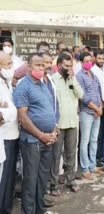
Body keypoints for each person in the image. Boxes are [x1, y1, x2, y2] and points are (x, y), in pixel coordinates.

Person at [13, 53, 58, 214]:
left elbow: (48, 110)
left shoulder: (42, 84)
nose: (41, 68)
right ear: (29, 67)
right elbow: (23, 118)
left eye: (42, 65)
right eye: (37, 65)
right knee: (31, 180)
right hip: (33, 141)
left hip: (48, 139)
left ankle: (40, 210)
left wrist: (53, 130)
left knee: (42, 178)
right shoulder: (23, 87)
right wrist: (41, 135)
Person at [50, 53, 83, 195]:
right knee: (55, 155)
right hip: (58, 124)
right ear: (58, 66)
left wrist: (73, 78)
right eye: (66, 66)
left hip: (72, 122)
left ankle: (70, 180)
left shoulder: (72, 79)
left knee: (71, 153)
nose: (69, 68)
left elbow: (81, 95)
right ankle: (54, 184)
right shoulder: (52, 80)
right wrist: (53, 124)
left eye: (71, 66)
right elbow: (50, 104)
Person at [76, 52, 104, 180]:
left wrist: (100, 108)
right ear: (81, 63)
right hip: (86, 113)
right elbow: (83, 96)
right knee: (85, 141)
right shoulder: (79, 76)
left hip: (96, 113)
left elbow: (99, 92)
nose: (88, 63)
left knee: (94, 140)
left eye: (90, 61)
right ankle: (85, 168)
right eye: (86, 61)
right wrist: (96, 109)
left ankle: (93, 166)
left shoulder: (94, 75)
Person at [0, 52, 19, 214]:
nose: (10, 68)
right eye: (7, 64)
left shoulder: (7, 82)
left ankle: (7, 206)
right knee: (3, 178)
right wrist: (7, 112)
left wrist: (9, 110)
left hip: (13, 134)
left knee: (10, 176)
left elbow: (12, 109)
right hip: (4, 137)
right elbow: (5, 114)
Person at [91, 49, 104, 166]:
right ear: (95, 58)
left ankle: (102, 157)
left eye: (103, 59)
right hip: (96, 107)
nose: (101, 61)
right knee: (96, 135)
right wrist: (98, 107)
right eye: (99, 58)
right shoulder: (92, 71)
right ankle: (96, 158)